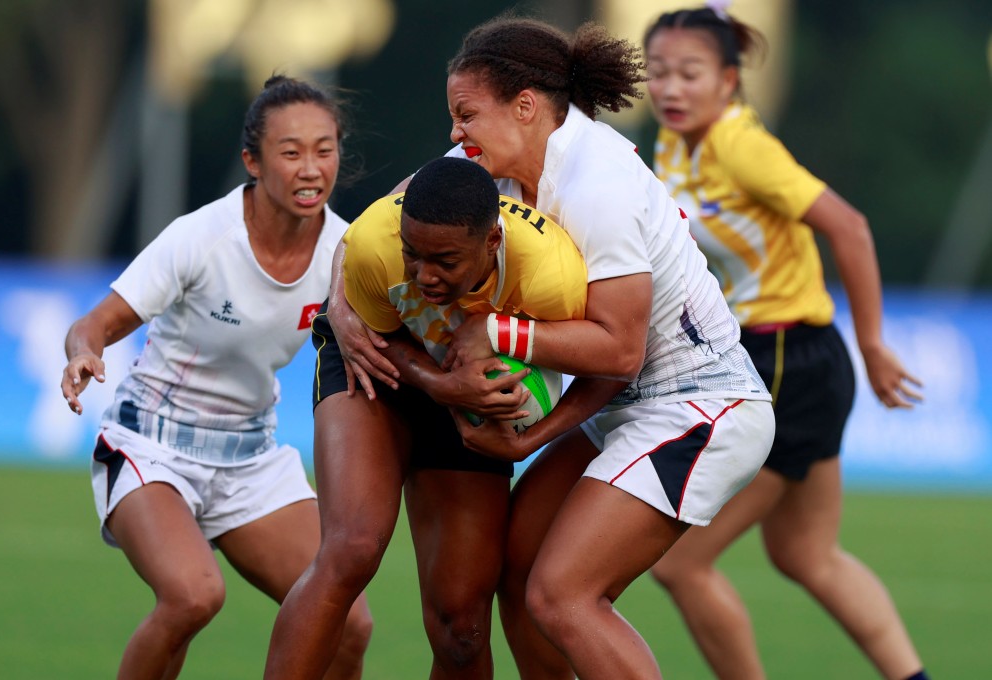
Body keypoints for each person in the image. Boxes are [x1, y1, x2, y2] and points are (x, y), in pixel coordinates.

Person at [328, 16, 775, 680]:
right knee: (522, 575)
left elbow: (621, 351)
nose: (455, 133)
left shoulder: (598, 184)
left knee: (562, 595)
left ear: (527, 107)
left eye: (466, 115)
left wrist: (497, 338)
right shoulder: (487, 164)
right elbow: (376, 228)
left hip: (699, 406)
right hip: (618, 409)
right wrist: (340, 304)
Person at [641, 6, 929, 680]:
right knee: (806, 556)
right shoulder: (673, 142)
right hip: (788, 360)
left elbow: (850, 228)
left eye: (690, 73)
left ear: (730, 81)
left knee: (679, 564)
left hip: (787, 363)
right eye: (659, 73)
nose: (671, 89)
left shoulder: (742, 145)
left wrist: (876, 344)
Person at [59, 75, 372, 680]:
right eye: (291, 152)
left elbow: (387, 345)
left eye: (324, 149)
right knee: (192, 597)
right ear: (252, 161)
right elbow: (92, 324)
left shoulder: (348, 252)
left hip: (250, 458)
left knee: (349, 625)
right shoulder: (201, 237)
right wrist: (83, 355)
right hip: (151, 445)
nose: (311, 168)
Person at [264, 155, 597, 679]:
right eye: (412, 255)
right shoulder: (375, 243)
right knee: (352, 548)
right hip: (377, 362)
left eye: (444, 260)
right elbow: (374, 342)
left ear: (491, 243)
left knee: (460, 628)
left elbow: (610, 363)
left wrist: (517, 426)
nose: (424, 275)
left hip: (472, 394)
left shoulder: (553, 276)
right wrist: (442, 383)